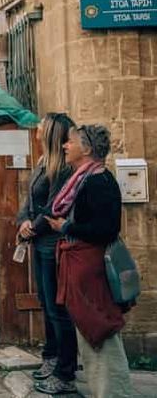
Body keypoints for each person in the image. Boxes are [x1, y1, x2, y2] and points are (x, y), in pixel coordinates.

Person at [46, 124, 133, 397]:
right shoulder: (85, 179)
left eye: (70, 142)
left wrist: (66, 227)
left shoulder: (98, 182)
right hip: (82, 269)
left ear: (86, 148)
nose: (65, 146)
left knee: (100, 329)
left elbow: (106, 229)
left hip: (91, 271)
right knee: (90, 335)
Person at [16, 113, 78, 394]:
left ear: (51, 131)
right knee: (46, 302)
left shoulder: (62, 168)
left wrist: (32, 228)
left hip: (53, 245)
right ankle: (51, 356)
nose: (37, 127)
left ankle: (65, 371)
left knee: (58, 308)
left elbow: (55, 206)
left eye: (41, 125)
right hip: (39, 243)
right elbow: (30, 200)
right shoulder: (43, 161)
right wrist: (23, 221)